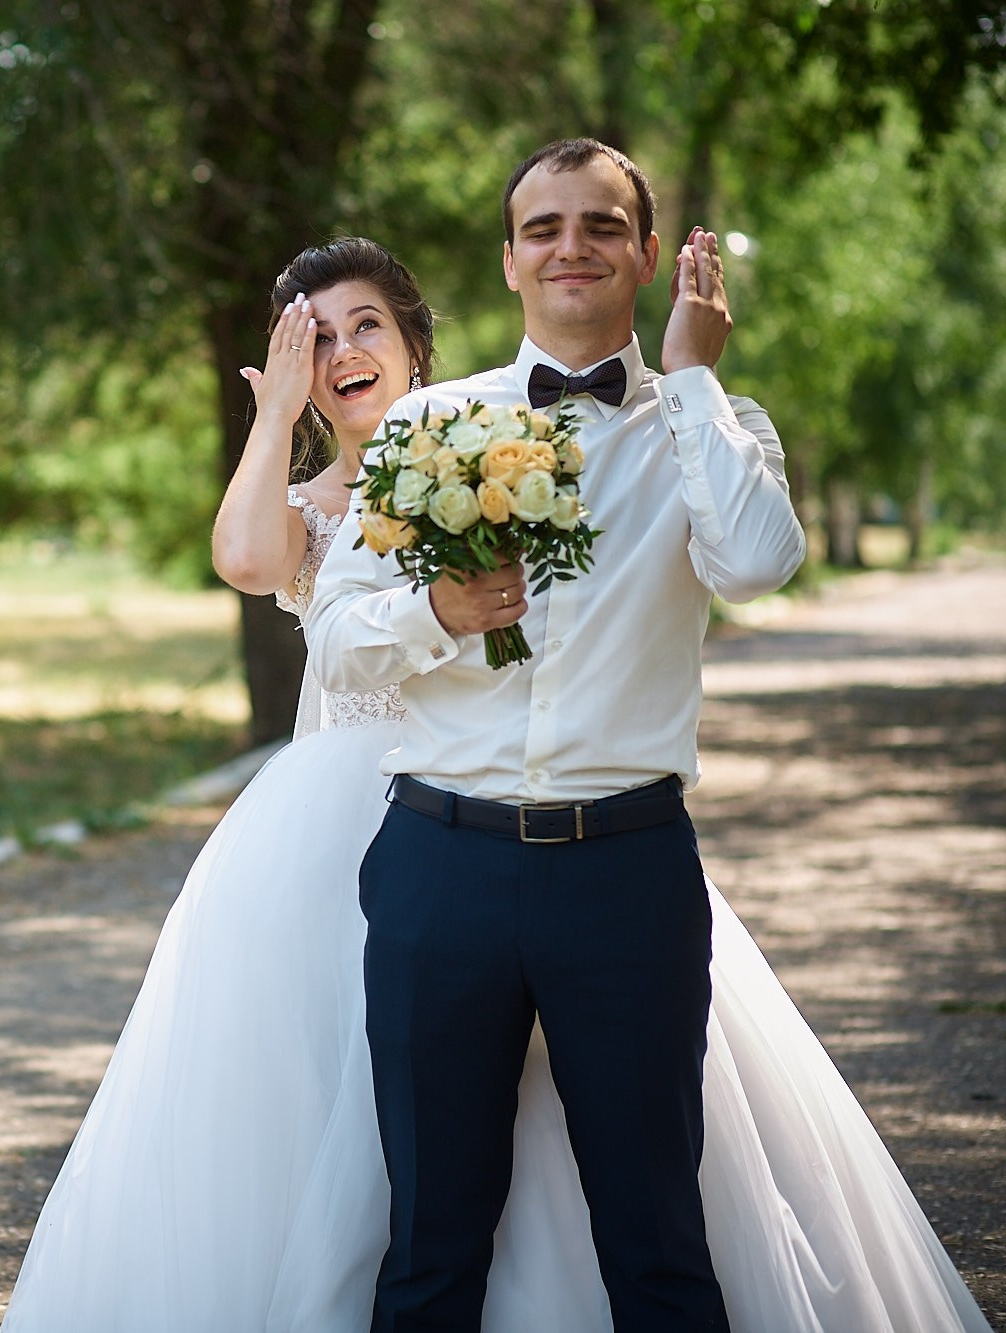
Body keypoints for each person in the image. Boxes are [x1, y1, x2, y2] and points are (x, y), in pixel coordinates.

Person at [2, 226, 989, 1329]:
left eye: (363, 325)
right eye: (313, 340)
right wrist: (275, 416)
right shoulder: (325, 489)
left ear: (413, 339)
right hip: (339, 830)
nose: (340, 352)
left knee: (591, 1118)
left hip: (527, 812)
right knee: (363, 1125)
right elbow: (243, 560)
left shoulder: (500, 441)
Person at [304, 139, 989, 1331]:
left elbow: (759, 563)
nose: (570, 246)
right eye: (542, 228)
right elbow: (334, 638)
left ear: (648, 255)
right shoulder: (424, 423)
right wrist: (435, 609)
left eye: (600, 225)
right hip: (436, 864)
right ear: (508, 261)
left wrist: (691, 380)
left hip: (624, 868)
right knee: (428, 1236)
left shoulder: (712, 427)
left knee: (657, 1235)